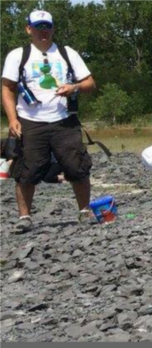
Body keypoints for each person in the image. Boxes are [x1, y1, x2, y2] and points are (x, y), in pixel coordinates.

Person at [1, 10, 97, 233]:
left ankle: (84, 211)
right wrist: (12, 119)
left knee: (77, 166)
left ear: (53, 28)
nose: (43, 31)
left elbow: (90, 84)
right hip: (30, 121)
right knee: (27, 170)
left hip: (64, 120)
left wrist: (74, 87)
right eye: (38, 26)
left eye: (47, 26)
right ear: (28, 29)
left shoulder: (67, 53)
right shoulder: (18, 55)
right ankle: (25, 217)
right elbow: (7, 88)